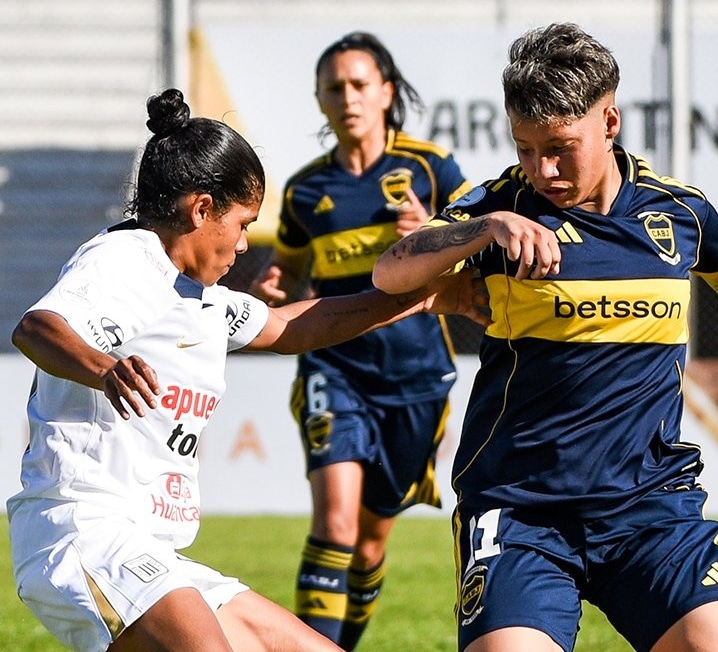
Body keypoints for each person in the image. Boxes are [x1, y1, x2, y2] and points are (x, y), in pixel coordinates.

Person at [373, 23, 718, 652]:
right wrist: (485, 229)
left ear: (609, 122)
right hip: (521, 511)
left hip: (650, 508)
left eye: (560, 147)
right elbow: (391, 271)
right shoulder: (501, 207)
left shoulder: (678, 213)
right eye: (525, 148)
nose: (541, 169)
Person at [6, 88, 486, 652]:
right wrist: (105, 368)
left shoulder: (201, 297)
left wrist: (428, 299)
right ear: (201, 208)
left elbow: (292, 327)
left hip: (153, 553)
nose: (242, 244)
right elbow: (37, 327)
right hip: (82, 533)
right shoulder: (127, 257)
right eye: (242, 223)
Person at [248, 32, 471, 650]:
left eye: (359, 85)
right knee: (336, 522)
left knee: (371, 538)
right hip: (333, 367)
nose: (347, 98)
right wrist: (274, 284)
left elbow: (479, 264)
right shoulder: (302, 191)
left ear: (386, 93)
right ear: (319, 100)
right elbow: (288, 270)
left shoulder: (431, 169)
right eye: (334, 88)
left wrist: (434, 235)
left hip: (416, 375)